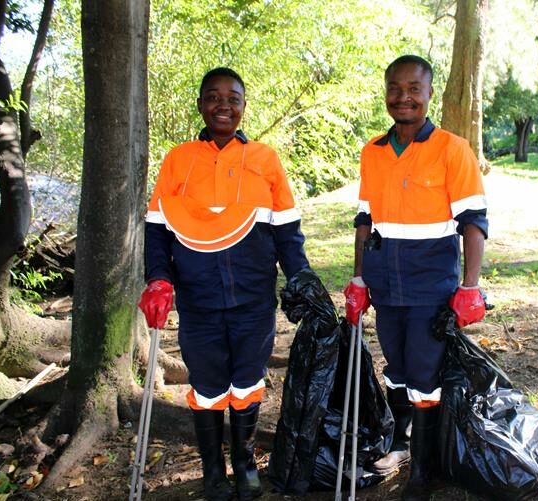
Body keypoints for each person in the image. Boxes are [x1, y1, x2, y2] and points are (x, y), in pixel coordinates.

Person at [138, 67, 312, 501]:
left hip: (254, 297)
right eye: (213, 97)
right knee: (208, 385)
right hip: (197, 299)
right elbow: (157, 229)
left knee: (248, 381)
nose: (223, 105)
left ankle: (245, 461)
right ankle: (213, 470)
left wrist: (302, 277)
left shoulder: (265, 159)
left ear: (243, 107)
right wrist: (158, 280)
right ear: (200, 105)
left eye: (232, 98)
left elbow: (287, 230)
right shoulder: (179, 159)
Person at [343, 55, 488, 501]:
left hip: (431, 285)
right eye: (394, 88)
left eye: (413, 88)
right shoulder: (374, 151)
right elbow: (365, 220)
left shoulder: (452, 149)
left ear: (428, 93)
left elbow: (474, 221)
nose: (403, 97)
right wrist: (359, 279)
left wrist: (470, 286)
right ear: (386, 92)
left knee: (425, 374)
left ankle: (424, 470)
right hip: (386, 286)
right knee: (398, 369)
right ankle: (401, 445)